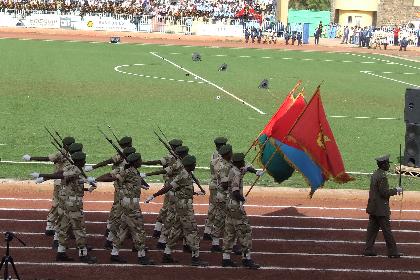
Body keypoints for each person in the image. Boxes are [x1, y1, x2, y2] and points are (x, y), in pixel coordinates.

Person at [32, 152, 97, 264]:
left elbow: (72, 183)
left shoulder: (71, 168)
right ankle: (83, 254)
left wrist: (87, 185)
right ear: (79, 161)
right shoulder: (76, 170)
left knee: (64, 228)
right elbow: (61, 175)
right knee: (79, 229)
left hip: (66, 203)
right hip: (74, 205)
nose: (85, 162)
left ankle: (61, 252)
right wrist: (42, 175)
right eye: (83, 160)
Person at [146, 155, 208, 267]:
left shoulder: (186, 174)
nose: (195, 165)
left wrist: (194, 193)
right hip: (185, 208)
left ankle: (167, 254)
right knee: (192, 230)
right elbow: (169, 187)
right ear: (189, 165)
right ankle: (195, 257)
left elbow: (182, 189)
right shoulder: (183, 175)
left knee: (177, 230)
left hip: (181, 206)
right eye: (194, 164)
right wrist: (154, 195)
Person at [97, 153, 155, 265]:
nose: (141, 161)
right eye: (140, 160)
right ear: (135, 162)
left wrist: (95, 179)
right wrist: (96, 180)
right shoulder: (129, 172)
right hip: (132, 207)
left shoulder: (127, 170)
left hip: (124, 206)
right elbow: (110, 177)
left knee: (122, 229)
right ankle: (141, 256)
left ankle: (114, 253)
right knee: (139, 229)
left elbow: (110, 175)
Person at [23, 136, 75, 236]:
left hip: (68, 180)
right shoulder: (60, 153)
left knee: (65, 204)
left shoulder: (73, 154)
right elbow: (47, 158)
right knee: (58, 203)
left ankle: (62, 225)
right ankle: (51, 223)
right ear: (66, 145)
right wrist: (31, 158)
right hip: (59, 181)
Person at [222, 153, 263, 269]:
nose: (244, 163)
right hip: (235, 205)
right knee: (245, 231)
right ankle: (246, 259)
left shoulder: (234, 169)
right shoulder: (236, 174)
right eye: (242, 161)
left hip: (229, 204)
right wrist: (242, 198)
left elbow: (246, 169)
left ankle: (226, 259)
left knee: (230, 231)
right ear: (238, 162)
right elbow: (235, 192)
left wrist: (255, 172)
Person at [363, 155, 403, 258]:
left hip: (373, 206)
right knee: (387, 230)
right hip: (381, 208)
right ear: (383, 164)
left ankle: (368, 249)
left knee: (372, 230)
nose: (388, 165)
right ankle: (392, 251)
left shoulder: (375, 174)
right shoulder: (382, 177)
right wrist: (396, 190)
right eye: (387, 164)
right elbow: (384, 193)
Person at [203, 137, 228, 241]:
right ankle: (215, 234)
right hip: (219, 185)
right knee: (221, 209)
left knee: (212, 207)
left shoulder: (215, 154)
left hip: (213, 184)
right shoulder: (219, 157)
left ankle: (207, 230)